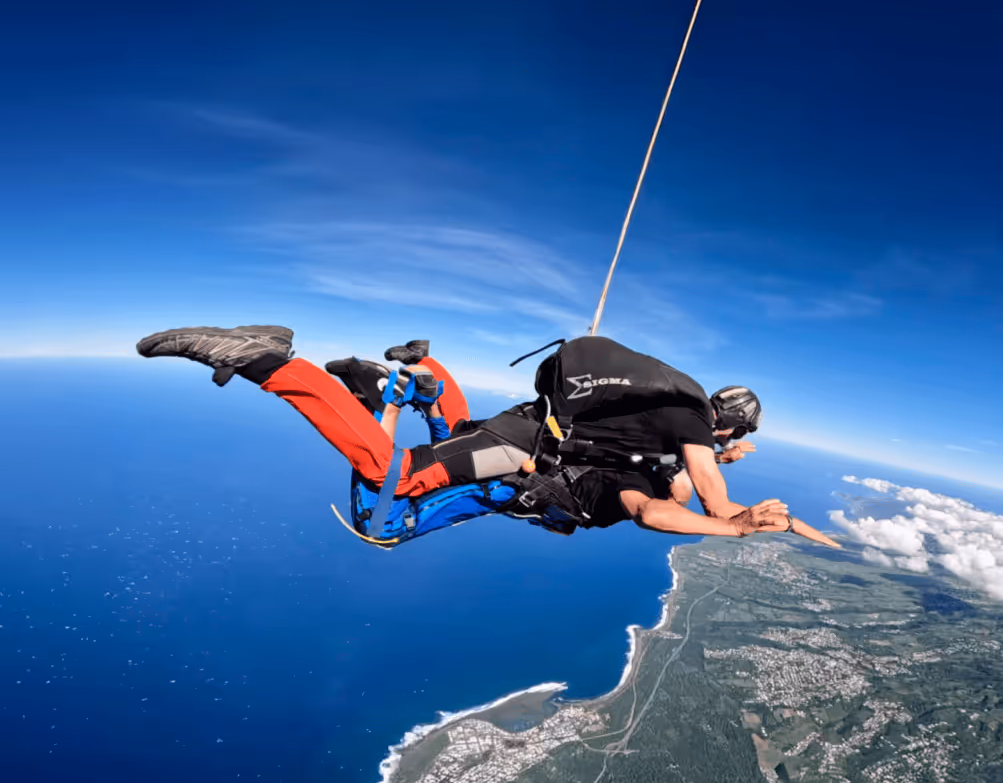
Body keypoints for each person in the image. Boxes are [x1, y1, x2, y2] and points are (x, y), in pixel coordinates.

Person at [135, 324, 840, 549]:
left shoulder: (658, 439)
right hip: (522, 451)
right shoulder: (652, 467)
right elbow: (674, 500)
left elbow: (690, 474)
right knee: (397, 482)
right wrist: (733, 524)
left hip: (517, 459)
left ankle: (418, 373)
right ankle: (267, 359)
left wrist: (720, 465)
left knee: (447, 448)